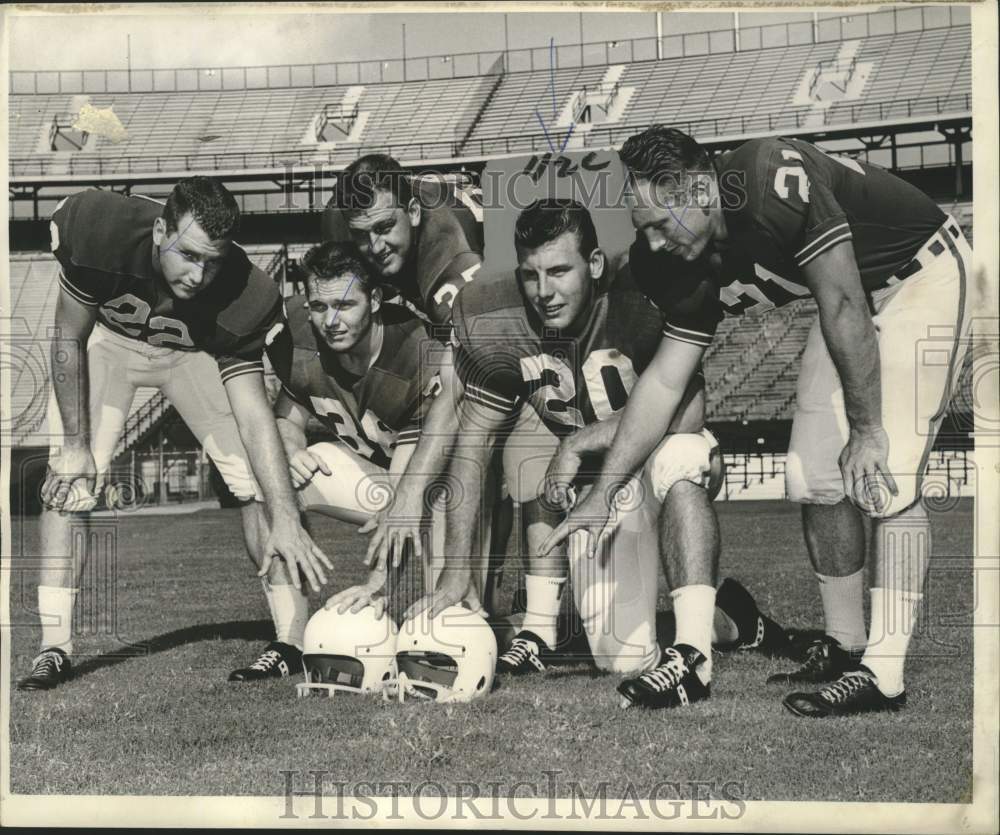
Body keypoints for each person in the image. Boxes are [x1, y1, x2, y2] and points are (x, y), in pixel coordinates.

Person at [544, 125, 976, 717]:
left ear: (700, 188)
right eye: (642, 226)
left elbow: (844, 301)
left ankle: (885, 674)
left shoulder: (768, 178)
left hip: (919, 275)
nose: (654, 242)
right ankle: (847, 646)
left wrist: (869, 430)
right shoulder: (674, 257)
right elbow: (666, 382)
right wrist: (605, 488)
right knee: (814, 475)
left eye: (660, 223)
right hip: (846, 301)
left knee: (886, 470)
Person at [404, 198, 786, 706]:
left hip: (653, 466)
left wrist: (580, 441)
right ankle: (734, 618)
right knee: (620, 657)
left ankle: (693, 654)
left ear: (596, 264)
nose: (544, 292)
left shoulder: (642, 294)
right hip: (596, 493)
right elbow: (473, 444)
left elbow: (688, 412)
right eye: (531, 275)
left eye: (560, 271)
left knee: (681, 454)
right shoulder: (491, 315)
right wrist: (456, 570)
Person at [18, 178, 332, 691]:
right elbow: (67, 337)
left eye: (213, 260)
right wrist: (75, 446)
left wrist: (286, 512)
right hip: (109, 346)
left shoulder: (246, 293)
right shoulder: (101, 228)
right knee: (69, 483)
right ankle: (54, 647)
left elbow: (253, 413)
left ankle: (291, 641)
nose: (199, 274)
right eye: (187, 254)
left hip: (193, 358)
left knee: (257, 482)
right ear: (160, 229)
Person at [327, 154, 512, 609]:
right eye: (361, 234)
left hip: (511, 331)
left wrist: (408, 493)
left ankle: (488, 595)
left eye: (385, 227)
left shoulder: (450, 254)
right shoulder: (348, 226)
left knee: (478, 445)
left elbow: (457, 387)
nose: (373, 245)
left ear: (412, 212)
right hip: (453, 332)